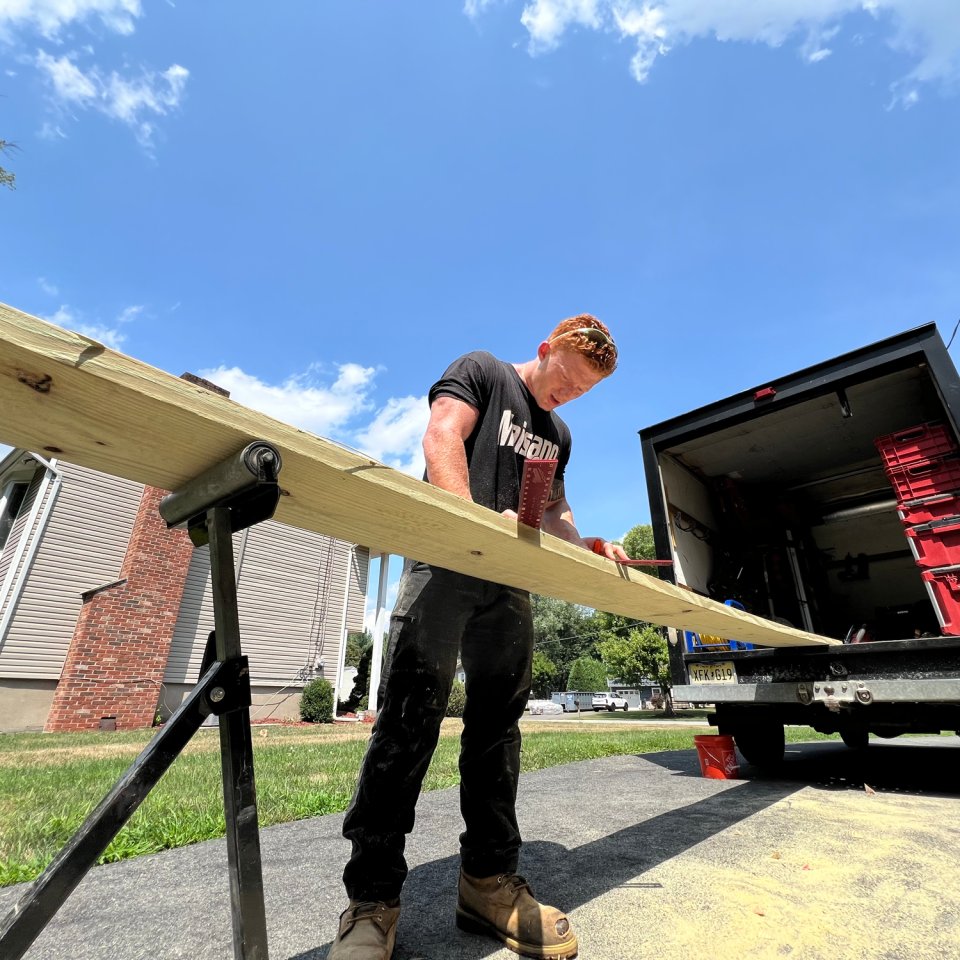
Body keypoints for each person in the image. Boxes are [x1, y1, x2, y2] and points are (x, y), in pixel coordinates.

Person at [328, 314, 627, 960]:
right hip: (446, 560)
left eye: (581, 391)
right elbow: (442, 439)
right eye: (564, 379)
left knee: (498, 729)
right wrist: (471, 529)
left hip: (507, 580)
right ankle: (372, 903)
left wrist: (592, 550)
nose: (566, 395)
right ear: (545, 349)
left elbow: (555, 513)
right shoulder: (482, 371)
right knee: (409, 719)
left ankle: (488, 883)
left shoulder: (558, 433)